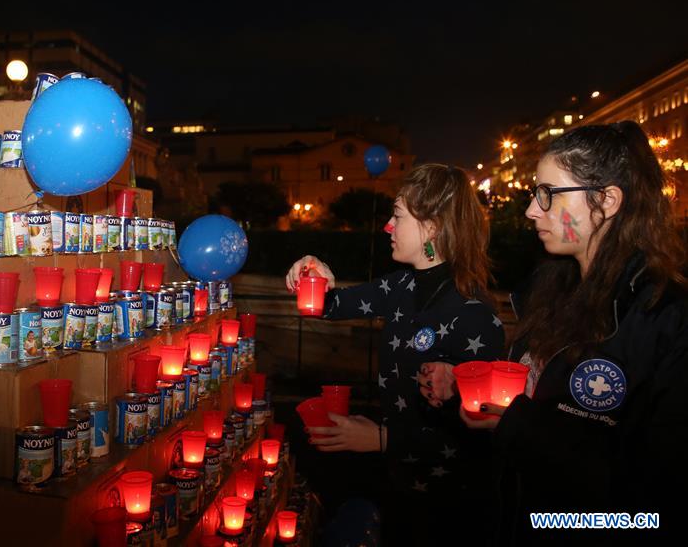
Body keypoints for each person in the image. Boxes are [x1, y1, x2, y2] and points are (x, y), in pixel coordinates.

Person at [455, 122, 688, 545]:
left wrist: (520, 429)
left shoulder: (666, 318)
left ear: (607, 200)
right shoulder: (550, 295)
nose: (530, 210)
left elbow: (652, 508)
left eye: (548, 193)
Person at [285, 163, 505, 544]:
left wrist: (382, 438)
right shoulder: (400, 287)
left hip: (452, 510)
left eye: (398, 216)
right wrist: (311, 271)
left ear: (433, 227)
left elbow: (479, 435)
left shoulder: (475, 315)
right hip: (399, 487)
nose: (388, 226)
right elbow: (328, 305)